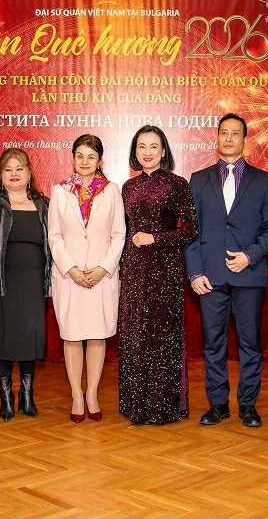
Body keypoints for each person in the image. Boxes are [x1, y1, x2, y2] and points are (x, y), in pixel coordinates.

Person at [185, 113, 268, 428]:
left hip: (248, 275)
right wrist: (195, 273)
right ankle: (218, 405)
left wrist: (249, 256)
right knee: (213, 344)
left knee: (250, 344)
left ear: (244, 140)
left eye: (235, 133)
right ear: (217, 138)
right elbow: (191, 231)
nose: (228, 138)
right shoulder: (198, 179)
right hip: (209, 277)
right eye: (224, 132)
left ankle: (248, 405)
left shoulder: (264, 181)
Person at [118, 125, 198, 425]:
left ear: (163, 151)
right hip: (133, 269)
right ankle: (135, 406)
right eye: (142, 147)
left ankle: (161, 407)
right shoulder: (128, 187)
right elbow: (122, 231)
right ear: (135, 152)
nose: (147, 152)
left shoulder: (177, 184)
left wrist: (155, 238)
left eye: (153, 146)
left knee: (161, 337)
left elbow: (191, 229)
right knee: (135, 334)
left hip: (165, 270)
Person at [48, 134, 125, 423]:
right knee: (71, 336)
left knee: (96, 335)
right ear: (73, 158)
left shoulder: (111, 190)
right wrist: (71, 268)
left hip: (101, 276)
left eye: (91, 157)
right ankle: (76, 395)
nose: (84, 161)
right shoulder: (59, 191)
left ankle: (91, 393)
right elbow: (54, 236)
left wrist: (104, 268)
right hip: (69, 276)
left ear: (99, 161)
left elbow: (119, 235)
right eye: (79, 155)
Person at [0, 149, 51, 421]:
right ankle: (6, 395)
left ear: (29, 173)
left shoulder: (43, 204)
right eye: (8, 169)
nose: (14, 174)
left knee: (29, 337)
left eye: (19, 169)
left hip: (33, 284)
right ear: (0, 175)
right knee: (1, 337)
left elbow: (55, 244)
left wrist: (52, 281)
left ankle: (27, 392)